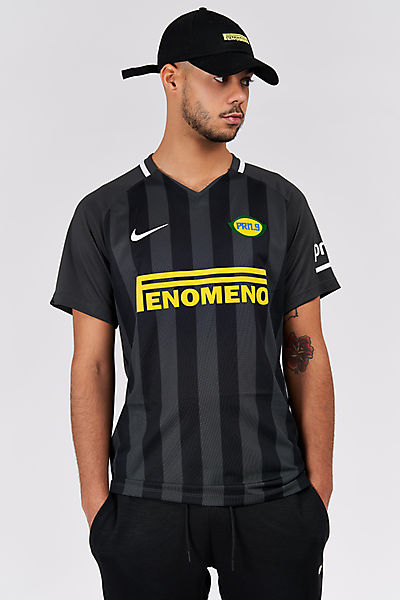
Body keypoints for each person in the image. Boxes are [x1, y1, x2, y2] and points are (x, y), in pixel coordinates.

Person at [49, 7, 341, 599]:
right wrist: (96, 503)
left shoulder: (281, 202)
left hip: (275, 497)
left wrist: (319, 490)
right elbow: (92, 365)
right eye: (219, 78)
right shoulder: (104, 213)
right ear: (171, 78)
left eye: (246, 82)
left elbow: (306, 347)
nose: (238, 96)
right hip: (146, 499)